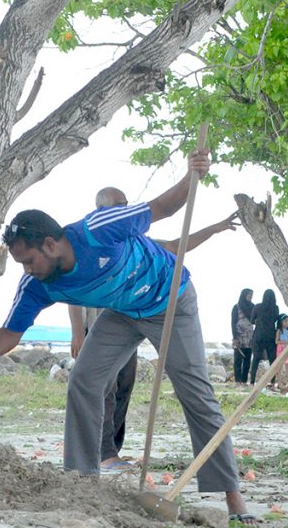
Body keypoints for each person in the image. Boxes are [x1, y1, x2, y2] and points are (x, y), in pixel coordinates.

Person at [0, 151, 257, 521]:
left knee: (196, 393)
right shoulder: (37, 285)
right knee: (84, 380)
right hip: (120, 312)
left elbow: (164, 208)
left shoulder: (100, 228)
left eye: (28, 261)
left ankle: (233, 499)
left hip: (170, 299)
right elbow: (10, 333)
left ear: (51, 245)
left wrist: (192, 174)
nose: (27, 270)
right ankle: (81, 482)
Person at [68, 188, 238, 471]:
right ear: (99, 210)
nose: (125, 209)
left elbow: (175, 245)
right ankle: (101, 457)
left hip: (138, 316)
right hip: (102, 323)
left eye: (126, 205)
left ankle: (113, 450)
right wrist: (77, 334)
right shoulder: (90, 240)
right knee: (97, 386)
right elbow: (72, 294)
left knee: (124, 384)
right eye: (118, 206)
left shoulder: (136, 241)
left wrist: (215, 228)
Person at [248, 289, 279, 385]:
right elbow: (275, 320)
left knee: (256, 359)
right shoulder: (275, 308)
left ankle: (252, 382)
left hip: (258, 336)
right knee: (272, 360)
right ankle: (272, 382)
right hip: (270, 336)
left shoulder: (257, 307)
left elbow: (251, 320)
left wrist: (258, 321)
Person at [230, 289, 254, 385]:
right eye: (249, 295)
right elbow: (233, 323)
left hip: (249, 337)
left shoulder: (253, 306)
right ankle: (237, 381)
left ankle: (244, 381)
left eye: (251, 295)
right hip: (239, 337)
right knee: (238, 360)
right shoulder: (236, 307)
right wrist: (235, 337)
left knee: (247, 359)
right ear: (244, 295)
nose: (250, 297)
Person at [274, 314, 288, 391]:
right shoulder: (279, 330)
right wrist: (285, 342)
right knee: (280, 367)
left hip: (287, 349)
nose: (287, 323)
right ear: (281, 322)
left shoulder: (287, 331)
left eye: (287, 321)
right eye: (285, 321)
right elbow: (276, 341)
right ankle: (279, 383)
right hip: (281, 349)